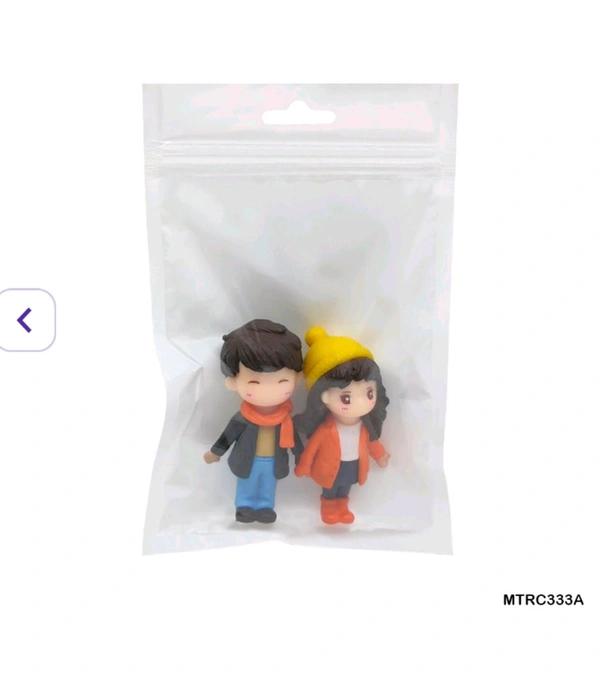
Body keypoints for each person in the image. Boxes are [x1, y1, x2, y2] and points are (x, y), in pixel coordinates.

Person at [204, 319, 304, 523]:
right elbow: (228, 436)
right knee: (247, 482)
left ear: (297, 379)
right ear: (233, 382)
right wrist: (215, 453)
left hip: (274, 460)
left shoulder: (285, 420)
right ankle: (244, 505)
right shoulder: (242, 419)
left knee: (269, 484)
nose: (268, 391)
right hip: (247, 459)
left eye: (282, 381)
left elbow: (294, 440)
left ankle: (266, 506)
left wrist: (301, 456)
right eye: (254, 382)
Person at [294, 326, 390, 525]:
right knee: (330, 488)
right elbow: (312, 448)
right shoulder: (325, 429)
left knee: (345, 488)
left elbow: (372, 442)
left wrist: (380, 455)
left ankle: (342, 507)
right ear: (324, 397)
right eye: (346, 398)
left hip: (353, 466)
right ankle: (329, 507)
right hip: (328, 466)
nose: (361, 404)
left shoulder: (365, 426)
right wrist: (304, 464)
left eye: (369, 393)